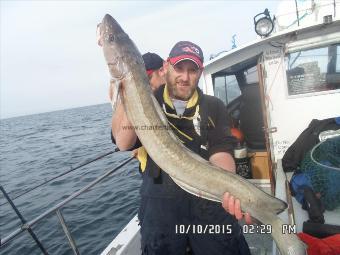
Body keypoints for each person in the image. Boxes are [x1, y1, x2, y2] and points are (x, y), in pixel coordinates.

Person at [111, 41, 251, 255]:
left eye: (192, 70)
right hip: (160, 210)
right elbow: (123, 142)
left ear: (200, 72)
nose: (185, 77)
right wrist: (127, 85)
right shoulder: (149, 101)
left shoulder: (214, 106)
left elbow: (221, 152)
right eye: (179, 68)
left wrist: (229, 187)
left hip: (209, 207)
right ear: (166, 67)